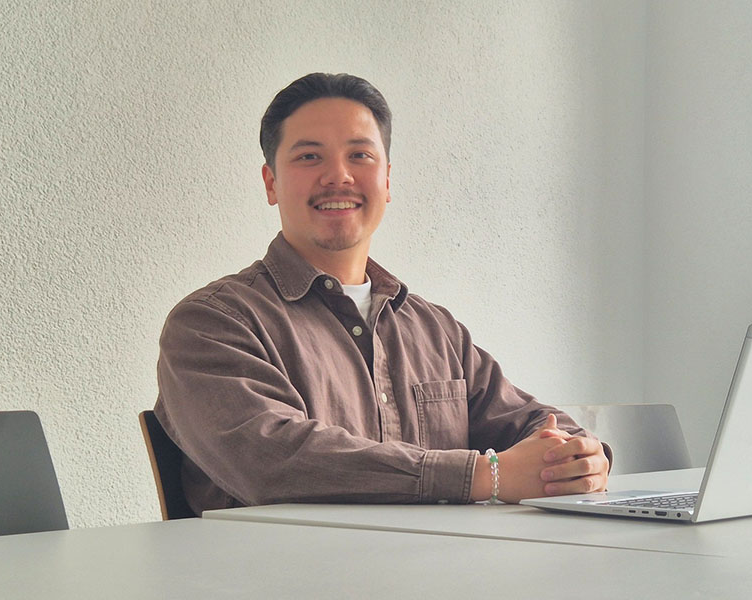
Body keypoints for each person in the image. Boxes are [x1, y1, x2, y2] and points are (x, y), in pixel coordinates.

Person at [155, 73, 611, 513]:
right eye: (309, 157)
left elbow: (530, 421)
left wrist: (576, 457)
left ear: (387, 180)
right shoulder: (213, 323)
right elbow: (271, 461)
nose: (339, 176)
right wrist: (486, 475)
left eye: (360, 155)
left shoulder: (435, 329)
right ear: (271, 182)